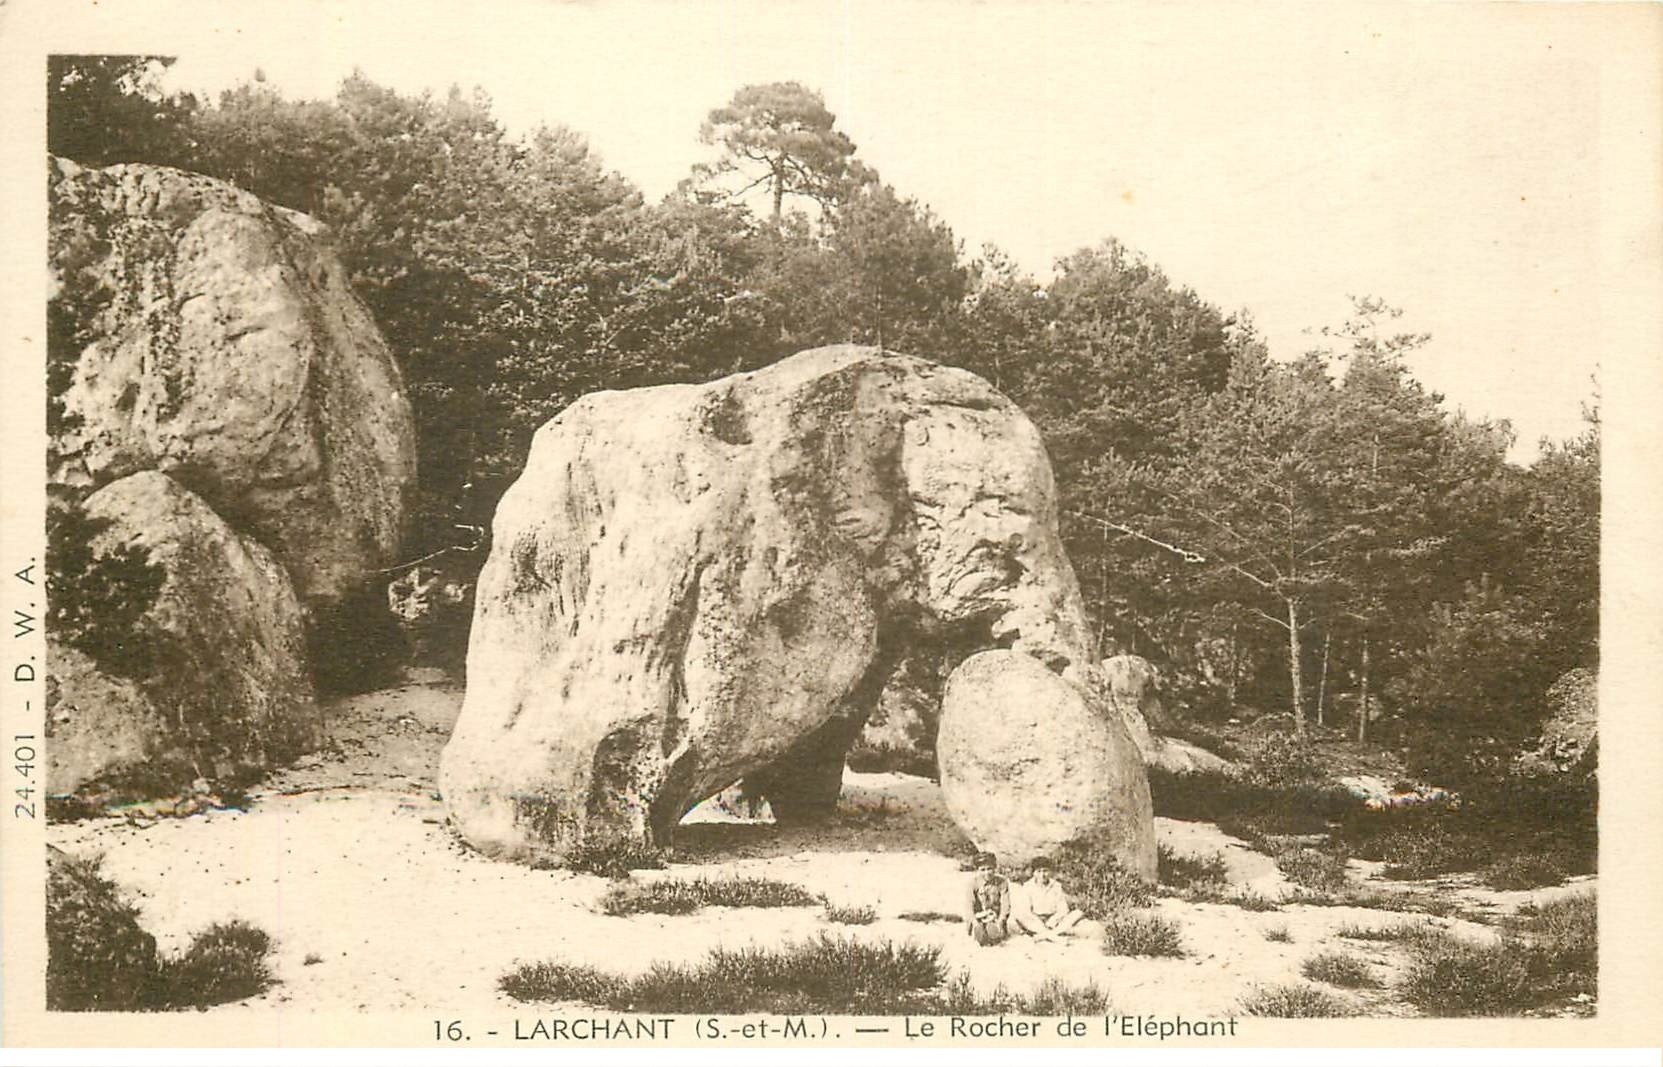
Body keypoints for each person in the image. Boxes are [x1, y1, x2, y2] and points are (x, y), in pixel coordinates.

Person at [1012, 858, 1085, 941]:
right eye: (1039, 871)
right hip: (1035, 921)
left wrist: (1052, 921)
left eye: (1045, 871)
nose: (1042, 875)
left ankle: (1046, 935)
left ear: (1050, 872)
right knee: (1019, 915)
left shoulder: (1056, 886)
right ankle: (1053, 936)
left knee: (1078, 913)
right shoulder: (1028, 886)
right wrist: (1040, 924)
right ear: (1034, 873)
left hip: (1054, 921)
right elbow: (1026, 911)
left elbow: (1063, 909)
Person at [965, 851, 1011, 946]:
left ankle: (995, 932)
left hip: (995, 917)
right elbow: (969, 906)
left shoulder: (1002, 882)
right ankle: (978, 932)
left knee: (994, 935)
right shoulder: (973, 883)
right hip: (979, 917)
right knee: (981, 937)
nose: (987, 873)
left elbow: (1005, 904)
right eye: (983, 869)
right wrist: (974, 922)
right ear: (977, 870)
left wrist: (1000, 921)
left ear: (995, 868)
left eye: (989, 869)